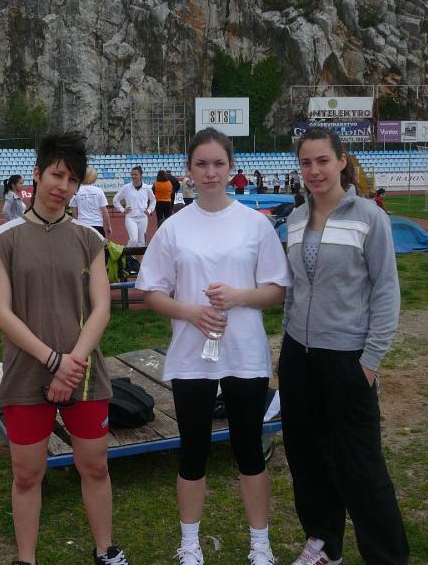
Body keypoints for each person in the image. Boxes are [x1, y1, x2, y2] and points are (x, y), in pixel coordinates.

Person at [136, 128, 290, 565]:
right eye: (201, 164)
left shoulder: (254, 224)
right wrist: (190, 312)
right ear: (188, 170)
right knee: (193, 451)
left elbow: (277, 289)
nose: (210, 172)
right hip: (191, 357)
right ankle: (190, 544)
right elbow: (151, 292)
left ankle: (260, 544)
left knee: (249, 451)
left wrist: (238, 297)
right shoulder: (175, 227)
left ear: (231, 168)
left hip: (244, 355)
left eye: (218, 163)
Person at [0, 133, 129, 565]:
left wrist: (73, 363)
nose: (62, 186)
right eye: (56, 174)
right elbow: (2, 312)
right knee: (27, 474)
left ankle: (105, 551)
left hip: (83, 373)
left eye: (72, 180)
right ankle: (26, 558)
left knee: (95, 466)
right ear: (37, 174)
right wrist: (53, 361)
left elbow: (101, 308)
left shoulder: (89, 238)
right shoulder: (4, 238)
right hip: (27, 372)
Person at [279, 128, 408, 565]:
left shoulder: (370, 217)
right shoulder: (296, 219)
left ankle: (386, 557)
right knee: (307, 461)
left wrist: (370, 362)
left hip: (348, 358)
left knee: (362, 467)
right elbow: (295, 289)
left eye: (322, 160)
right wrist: (287, 347)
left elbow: (386, 292)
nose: (314, 170)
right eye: (306, 163)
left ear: (341, 161)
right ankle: (324, 546)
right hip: (299, 357)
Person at [113, 166, 156, 247]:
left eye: (135, 174)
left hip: (143, 218)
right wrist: (122, 210)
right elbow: (116, 199)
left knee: (142, 243)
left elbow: (153, 200)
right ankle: (127, 254)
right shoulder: (126, 188)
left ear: (141, 175)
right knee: (133, 240)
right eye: (132, 174)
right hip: (131, 218)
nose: (133, 176)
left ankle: (139, 256)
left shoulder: (147, 188)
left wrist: (149, 210)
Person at [71, 168, 112, 237]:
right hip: (97, 225)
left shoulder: (76, 191)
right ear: (94, 177)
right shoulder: (99, 191)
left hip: (82, 225)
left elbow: (74, 213)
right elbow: (104, 212)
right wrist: (108, 226)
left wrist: (76, 225)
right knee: (98, 244)